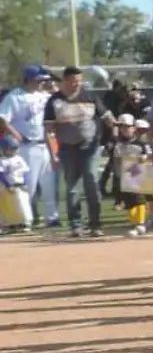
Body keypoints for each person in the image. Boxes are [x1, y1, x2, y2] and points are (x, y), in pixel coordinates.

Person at [45, 67, 111, 237]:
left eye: (80, 80)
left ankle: (95, 224)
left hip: (90, 147)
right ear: (65, 81)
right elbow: (48, 130)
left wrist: (116, 129)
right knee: (72, 188)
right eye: (74, 81)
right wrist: (53, 154)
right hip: (67, 149)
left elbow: (106, 117)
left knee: (91, 180)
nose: (77, 84)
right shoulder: (55, 101)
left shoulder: (89, 96)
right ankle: (76, 224)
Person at [0, 67, 56, 230]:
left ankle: (52, 217)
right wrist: (17, 136)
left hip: (45, 143)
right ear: (29, 79)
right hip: (26, 145)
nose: (42, 83)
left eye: (43, 80)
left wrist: (53, 89)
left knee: (49, 182)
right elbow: (3, 119)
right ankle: (24, 218)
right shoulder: (15, 96)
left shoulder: (44, 95)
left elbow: (57, 104)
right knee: (27, 185)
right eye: (39, 80)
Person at [0, 136, 29, 232]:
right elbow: (2, 175)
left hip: (19, 186)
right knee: (8, 206)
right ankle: (9, 224)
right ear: (4, 149)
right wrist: (8, 185)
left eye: (15, 149)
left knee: (22, 204)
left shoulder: (19, 159)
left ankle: (23, 223)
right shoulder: (3, 161)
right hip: (7, 187)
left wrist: (25, 183)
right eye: (10, 149)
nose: (13, 151)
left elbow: (24, 172)